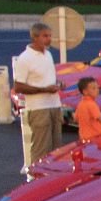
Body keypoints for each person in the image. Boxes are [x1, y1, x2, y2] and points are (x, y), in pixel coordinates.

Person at [13, 21, 65, 168]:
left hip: (54, 104)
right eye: (45, 36)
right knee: (41, 148)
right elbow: (18, 86)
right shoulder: (25, 58)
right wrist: (45, 89)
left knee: (56, 148)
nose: (49, 39)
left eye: (49, 36)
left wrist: (57, 84)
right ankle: (37, 177)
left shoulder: (48, 54)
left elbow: (46, 78)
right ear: (35, 37)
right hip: (38, 108)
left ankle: (52, 177)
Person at [74, 77, 101, 145]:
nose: (97, 90)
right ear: (85, 91)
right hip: (96, 138)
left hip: (84, 138)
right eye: (94, 88)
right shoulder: (91, 104)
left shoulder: (80, 104)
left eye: (97, 88)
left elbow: (75, 119)